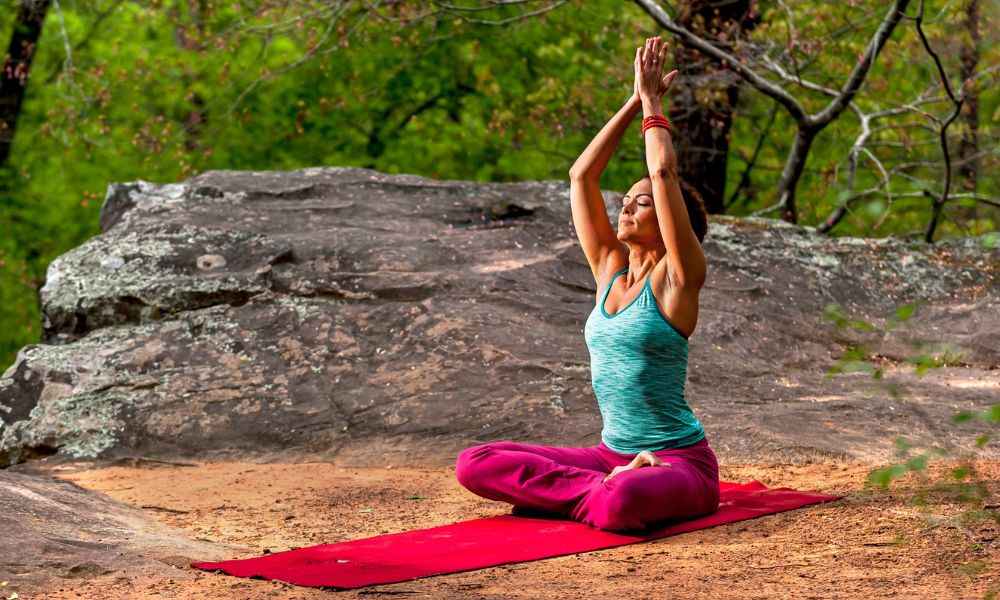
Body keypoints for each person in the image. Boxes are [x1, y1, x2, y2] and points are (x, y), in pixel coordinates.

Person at [454, 36, 719, 533]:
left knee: (621, 505)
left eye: (641, 203)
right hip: (610, 456)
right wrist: (633, 101)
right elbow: (581, 176)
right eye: (628, 198)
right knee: (476, 461)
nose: (626, 205)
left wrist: (655, 107)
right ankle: (605, 486)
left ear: (668, 218)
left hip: (678, 464)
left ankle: (604, 490)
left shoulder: (679, 279)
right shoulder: (609, 269)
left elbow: (662, 171)